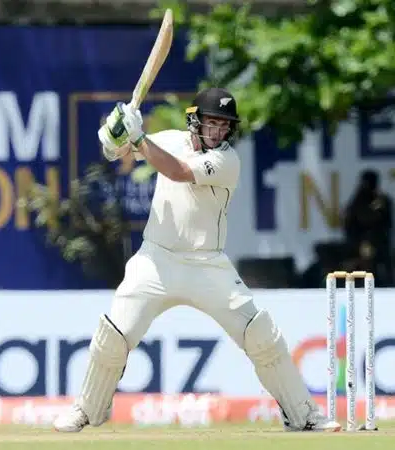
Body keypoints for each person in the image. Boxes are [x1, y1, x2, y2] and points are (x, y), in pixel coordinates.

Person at [53, 87, 341, 433]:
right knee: (114, 335)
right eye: (212, 123)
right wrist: (115, 136)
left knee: (260, 335)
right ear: (195, 120)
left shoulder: (226, 161)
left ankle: (303, 415)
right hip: (155, 261)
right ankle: (86, 410)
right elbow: (118, 153)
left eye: (224, 125)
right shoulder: (171, 140)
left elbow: (177, 170)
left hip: (207, 265)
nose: (218, 131)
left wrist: (138, 136)